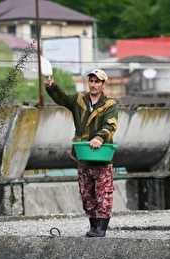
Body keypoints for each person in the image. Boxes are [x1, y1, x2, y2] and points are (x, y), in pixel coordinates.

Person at [44, 69, 118, 238]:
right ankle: (93, 226)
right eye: (91, 81)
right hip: (83, 156)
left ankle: (102, 228)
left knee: (103, 194)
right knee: (87, 194)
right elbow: (62, 97)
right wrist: (52, 86)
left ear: (104, 85)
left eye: (97, 82)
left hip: (101, 157)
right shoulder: (79, 100)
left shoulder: (110, 105)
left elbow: (111, 125)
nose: (93, 84)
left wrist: (100, 138)